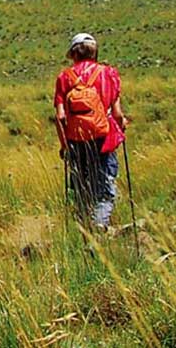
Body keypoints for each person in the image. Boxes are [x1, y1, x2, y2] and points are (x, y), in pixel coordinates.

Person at [53, 33, 128, 231]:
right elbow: (118, 114)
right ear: (95, 52)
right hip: (104, 141)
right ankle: (99, 228)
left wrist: (64, 146)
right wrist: (121, 126)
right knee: (104, 192)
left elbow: (60, 117)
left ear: (73, 54)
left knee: (80, 191)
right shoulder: (109, 74)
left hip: (76, 142)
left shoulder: (64, 78)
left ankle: (84, 231)